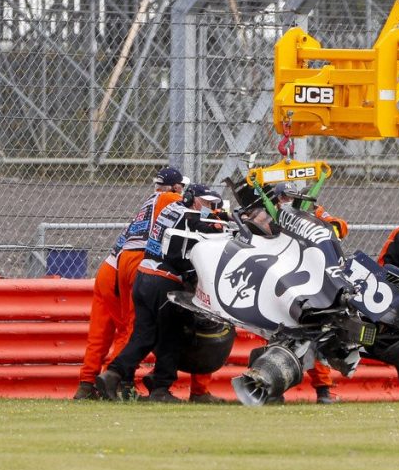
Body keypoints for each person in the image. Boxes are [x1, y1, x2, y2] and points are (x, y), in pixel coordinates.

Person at [95, 183, 228, 403]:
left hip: (144, 277)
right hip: (163, 282)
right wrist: (223, 219)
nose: (209, 208)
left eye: (213, 204)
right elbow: (208, 228)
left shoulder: (171, 209)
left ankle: (112, 374)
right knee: (171, 336)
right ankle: (160, 388)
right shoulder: (189, 216)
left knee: (144, 336)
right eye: (206, 203)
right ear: (192, 198)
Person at [72, 166, 190, 400]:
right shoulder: (172, 199)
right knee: (131, 328)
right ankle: (119, 383)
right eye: (182, 188)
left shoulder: (147, 203)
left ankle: (86, 384)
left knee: (99, 333)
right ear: (176, 187)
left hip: (111, 264)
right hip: (136, 262)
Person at [241, 181, 342, 404]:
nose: (287, 202)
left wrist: (331, 226)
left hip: (310, 282)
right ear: (276, 199)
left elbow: (338, 227)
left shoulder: (312, 213)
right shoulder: (265, 214)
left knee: (315, 338)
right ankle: (272, 389)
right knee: (275, 337)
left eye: (291, 197)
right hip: (278, 282)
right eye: (283, 198)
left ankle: (323, 392)